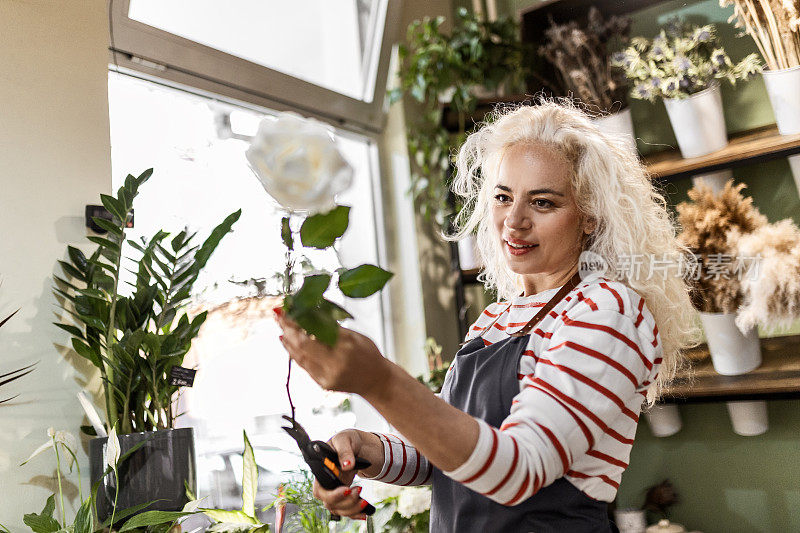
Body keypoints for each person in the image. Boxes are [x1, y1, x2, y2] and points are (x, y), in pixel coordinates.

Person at [275, 100, 700, 532]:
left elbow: (519, 469)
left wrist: (379, 382)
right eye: (502, 197)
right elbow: (442, 457)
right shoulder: (497, 318)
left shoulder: (607, 310)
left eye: (543, 202)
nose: (513, 222)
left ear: (590, 216)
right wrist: (364, 448)